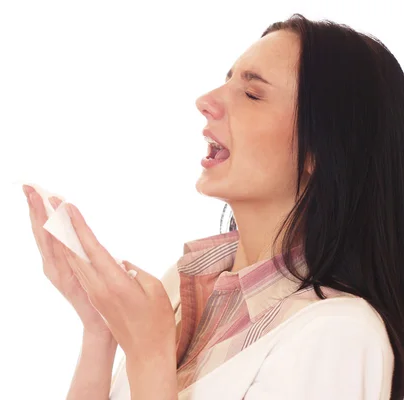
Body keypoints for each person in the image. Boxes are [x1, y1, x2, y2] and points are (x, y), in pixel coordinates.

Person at [22, 13, 403, 400]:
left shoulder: (341, 335)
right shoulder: (178, 293)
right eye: (227, 81)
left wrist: (150, 357)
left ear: (321, 149)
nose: (206, 102)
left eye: (252, 93)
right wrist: (99, 330)